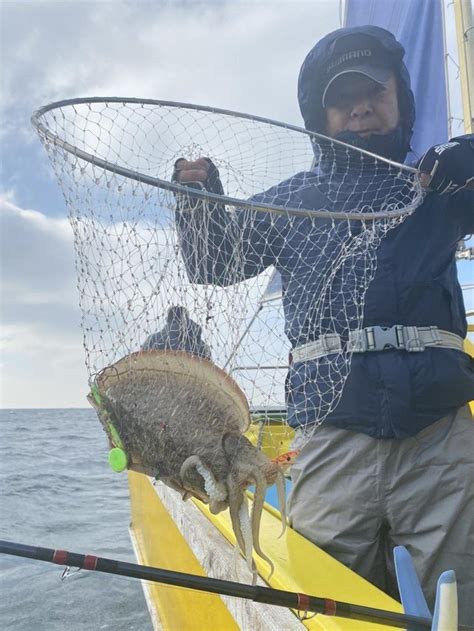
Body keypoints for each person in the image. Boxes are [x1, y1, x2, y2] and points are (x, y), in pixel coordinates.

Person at [173, 26, 474, 623]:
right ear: (321, 113)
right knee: (330, 603)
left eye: (375, 91)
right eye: (344, 98)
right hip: (331, 439)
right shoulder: (292, 199)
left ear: (400, 100)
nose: (362, 106)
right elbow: (214, 264)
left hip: (439, 440)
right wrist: (199, 199)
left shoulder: (441, 191)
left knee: (456, 599)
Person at [142, 305, 211, 359]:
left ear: (168, 319)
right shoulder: (203, 346)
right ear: (187, 318)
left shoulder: (154, 339)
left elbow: (142, 360)